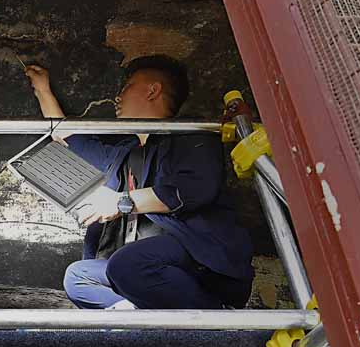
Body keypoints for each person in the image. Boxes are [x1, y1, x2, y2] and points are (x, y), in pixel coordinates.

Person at [24, 55, 254, 310]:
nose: (117, 97)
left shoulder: (192, 135)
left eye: (126, 87)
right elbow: (66, 137)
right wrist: (42, 89)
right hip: (136, 270)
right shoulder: (123, 154)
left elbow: (194, 189)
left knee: (128, 263)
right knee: (78, 276)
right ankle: (138, 314)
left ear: (153, 90)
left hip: (198, 259)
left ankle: (215, 318)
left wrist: (121, 202)